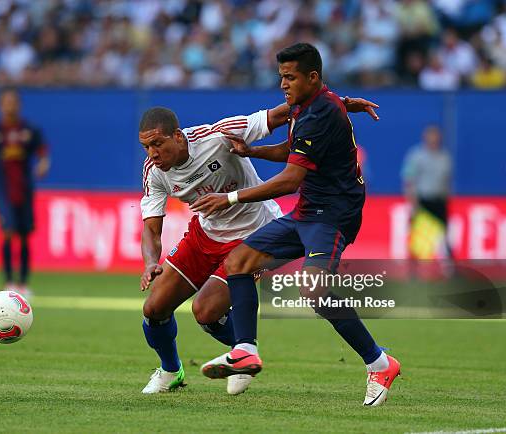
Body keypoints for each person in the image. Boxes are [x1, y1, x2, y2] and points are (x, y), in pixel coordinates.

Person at [190, 43, 400, 406]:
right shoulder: (309, 105)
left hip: (333, 215)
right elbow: (293, 150)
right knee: (238, 263)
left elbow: (289, 179)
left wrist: (229, 198)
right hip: (307, 211)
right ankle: (244, 350)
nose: (283, 85)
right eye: (281, 77)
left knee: (313, 291)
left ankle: (380, 362)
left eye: (290, 77)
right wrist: (252, 151)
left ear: (313, 77)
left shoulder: (319, 113)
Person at [138, 96, 379, 395]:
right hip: (205, 234)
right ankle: (172, 369)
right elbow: (151, 227)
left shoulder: (218, 136)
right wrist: (150, 262)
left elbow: (278, 115)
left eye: (158, 144)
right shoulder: (154, 171)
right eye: (147, 147)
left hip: (253, 233)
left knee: (206, 311)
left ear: (177, 135)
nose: (153, 153)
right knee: (154, 308)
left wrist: (339, 104)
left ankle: (244, 350)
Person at [0, 88, 50, 297]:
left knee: (24, 235)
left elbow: (43, 153)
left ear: (19, 105)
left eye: (13, 102)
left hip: (25, 186)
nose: (10, 105)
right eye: (6, 102)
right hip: (2, 187)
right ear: (0, 106)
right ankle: (8, 281)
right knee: (7, 231)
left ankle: (23, 283)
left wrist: (42, 164)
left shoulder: (29, 130)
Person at [402, 124, 453, 259]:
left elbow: (446, 181)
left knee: (444, 236)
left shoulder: (445, 157)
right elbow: (409, 180)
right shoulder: (416, 156)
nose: (433, 139)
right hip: (422, 201)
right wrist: (413, 203)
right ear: (425, 137)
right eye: (431, 135)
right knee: (419, 238)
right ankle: (415, 270)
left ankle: (448, 268)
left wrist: (446, 199)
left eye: (436, 136)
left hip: (439, 201)